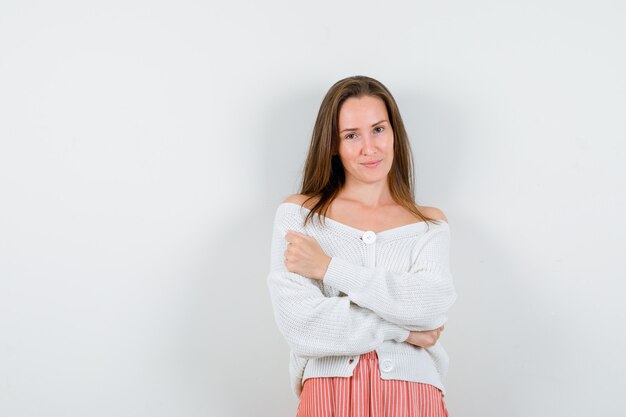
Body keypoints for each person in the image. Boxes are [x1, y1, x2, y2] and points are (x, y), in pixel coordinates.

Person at [267, 75, 457, 417]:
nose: (369, 148)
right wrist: (406, 330)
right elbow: (301, 325)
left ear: (394, 133)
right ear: (333, 146)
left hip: (415, 396)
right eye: (351, 135)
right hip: (329, 395)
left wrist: (328, 268)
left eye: (379, 130)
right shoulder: (300, 216)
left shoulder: (428, 223)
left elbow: (432, 305)